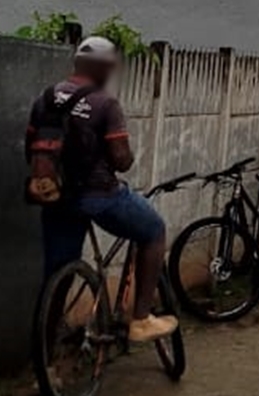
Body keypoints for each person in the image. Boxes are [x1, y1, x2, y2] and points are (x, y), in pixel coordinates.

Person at [26, 37, 177, 342]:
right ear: (104, 68)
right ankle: (141, 320)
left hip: (57, 196)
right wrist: (126, 157)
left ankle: (45, 350)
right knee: (154, 231)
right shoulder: (105, 103)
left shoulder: (46, 98)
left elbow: (31, 148)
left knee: (58, 273)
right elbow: (121, 160)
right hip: (100, 196)